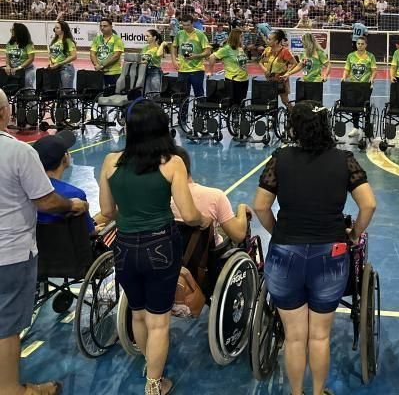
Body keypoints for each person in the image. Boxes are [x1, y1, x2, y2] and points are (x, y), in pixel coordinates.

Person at [253, 101, 377, 395]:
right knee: (319, 337)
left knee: (295, 337)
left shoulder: (280, 159)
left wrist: (278, 231)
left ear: (294, 128)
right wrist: (354, 235)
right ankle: (319, 391)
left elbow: (260, 205)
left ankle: (296, 392)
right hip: (330, 253)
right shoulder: (345, 160)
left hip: (286, 253)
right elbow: (368, 204)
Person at [98, 99, 206, 395]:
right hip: (160, 243)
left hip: (124, 244)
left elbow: (107, 210)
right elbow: (189, 212)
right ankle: (155, 384)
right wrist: (203, 221)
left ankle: (150, 365)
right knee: (159, 321)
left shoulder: (110, 162)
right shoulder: (172, 163)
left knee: (138, 313)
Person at [0, 89, 89, 395]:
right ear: (4, 113)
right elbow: (48, 202)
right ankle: (12, 389)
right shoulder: (18, 152)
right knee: (6, 326)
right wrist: (71, 206)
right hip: (10, 252)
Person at [171, 147, 249, 245]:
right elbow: (238, 236)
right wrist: (241, 207)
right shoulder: (215, 196)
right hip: (209, 257)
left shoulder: (156, 204)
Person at [32, 130, 95, 235]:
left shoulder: (26, 190)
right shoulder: (75, 194)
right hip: (70, 248)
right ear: (65, 158)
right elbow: (89, 233)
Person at [342, 36, 377, 139]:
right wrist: (344, 77)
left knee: (365, 106)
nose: (360, 46)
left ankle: (367, 126)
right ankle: (356, 128)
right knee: (354, 106)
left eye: (362, 44)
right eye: (358, 44)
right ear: (356, 44)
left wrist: (372, 78)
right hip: (353, 85)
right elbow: (347, 70)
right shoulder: (351, 56)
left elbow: (374, 70)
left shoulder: (370, 56)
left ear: (366, 45)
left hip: (365, 85)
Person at [206, 28, 249, 105]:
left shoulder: (240, 48)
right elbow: (212, 57)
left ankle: (239, 116)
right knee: (234, 103)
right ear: (236, 37)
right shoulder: (227, 49)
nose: (243, 38)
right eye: (241, 36)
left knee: (242, 103)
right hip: (233, 79)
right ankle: (234, 116)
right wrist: (210, 71)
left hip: (244, 79)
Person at [171, 15, 211, 97]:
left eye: (188, 25)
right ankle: (183, 110)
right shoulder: (179, 33)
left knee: (199, 95)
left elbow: (208, 52)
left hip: (197, 70)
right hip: (182, 70)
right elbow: (174, 47)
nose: (185, 27)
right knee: (182, 96)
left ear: (192, 23)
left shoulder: (200, 34)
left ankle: (200, 110)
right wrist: (174, 61)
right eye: (184, 25)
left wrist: (196, 56)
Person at [285, 33, 330, 102]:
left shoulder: (319, 53)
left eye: (303, 41)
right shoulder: (303, 54)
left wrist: (325, 75)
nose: (302, 43)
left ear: (307, 42)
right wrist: (289, 73)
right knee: (304, 103)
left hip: (316, 82)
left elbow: (328, 65)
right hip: (305, 81)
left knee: (314, 104)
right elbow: (300, 65)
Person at [259, 29, 296, 109]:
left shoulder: (285, 51)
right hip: (270, 80)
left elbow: (294, 63)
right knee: (271, 101)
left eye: (269, 39)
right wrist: (265, 70)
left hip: (281, 81)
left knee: (285, 101)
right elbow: (260, 62)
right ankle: (273, 119)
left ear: (276, 41)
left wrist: (287, 73)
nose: (267, 41)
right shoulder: (267, 50)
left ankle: (294, 115)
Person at [90, 18, 125, 88]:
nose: (102, 28)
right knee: (101, 95)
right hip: (99, 72)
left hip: (113, 73)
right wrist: (96, 65)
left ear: (111, 27)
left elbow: (116, 56)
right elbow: (92, 53)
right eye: (101, 26)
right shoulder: (97, 39)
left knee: (113, 95)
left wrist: (102, 66)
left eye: (105, 26)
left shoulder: (117, 39)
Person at [4, 22, 36, 90]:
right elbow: (7, 57)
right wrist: (8, 66)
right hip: (14, 70)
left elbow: (31, 59)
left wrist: (19, 67)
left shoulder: (28, 44)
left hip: (27, 70)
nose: (11, 31)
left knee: (28, 88)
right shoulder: (9, 43)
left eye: (12, 30)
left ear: (18, 32)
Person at [47, 20, 77, 90]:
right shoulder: (54, 40)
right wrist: (51, 62)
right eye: (55, 28)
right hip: (54, 68)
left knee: (66, 91)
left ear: (63, 29)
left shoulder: (68, 41)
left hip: (65, 68)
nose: (55, 30)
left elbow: (74, 56)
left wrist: (60, 63)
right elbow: (52, 54)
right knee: (57, 91)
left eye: (57, 28)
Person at [141, 29, 167, 96]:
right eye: (145, 36)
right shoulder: (144, 48)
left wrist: (162, 45)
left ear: (154, 37)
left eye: (148, 36)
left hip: (155, 72)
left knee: (156, 94)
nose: (146, 38)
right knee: (146, 94)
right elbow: (141, 60)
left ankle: (156, 106)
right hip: (145, 72)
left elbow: (159, 54)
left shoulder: (159, 48)